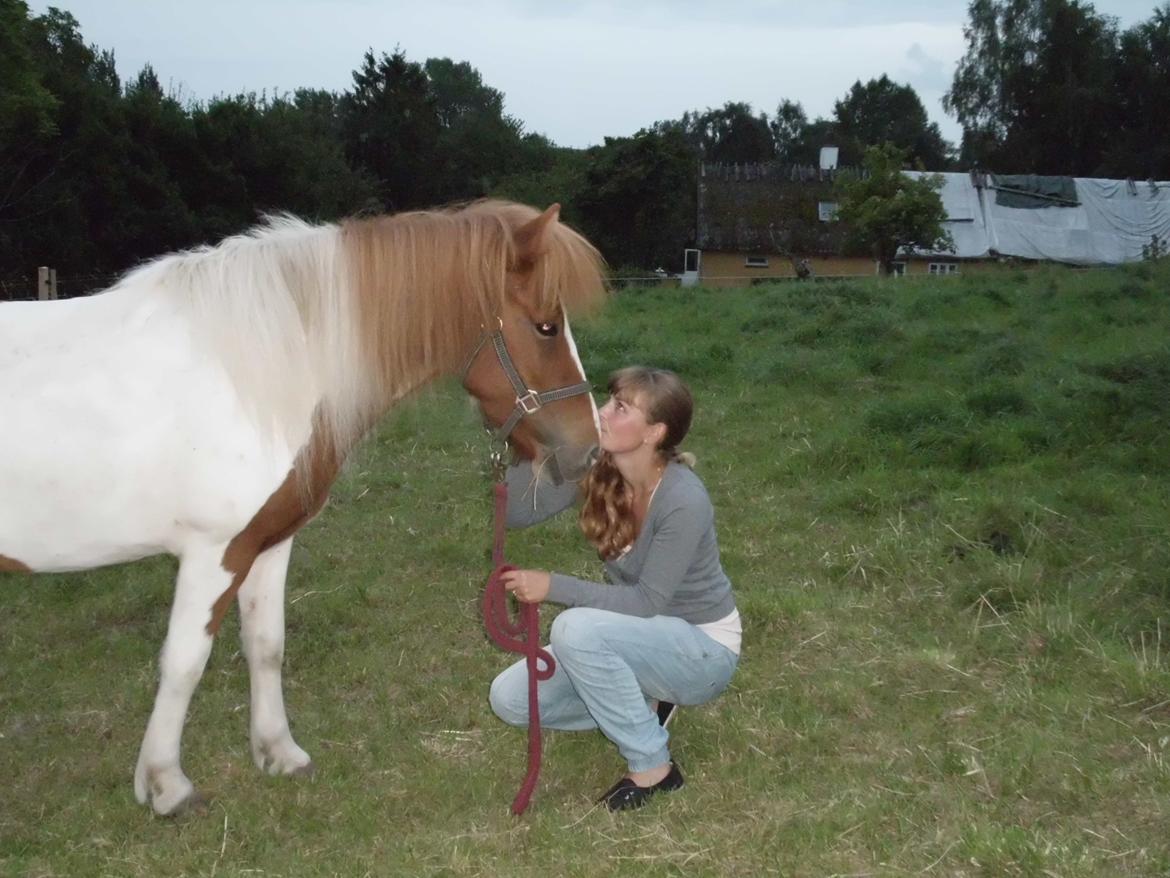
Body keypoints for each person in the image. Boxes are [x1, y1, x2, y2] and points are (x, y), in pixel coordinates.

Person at [489, 366, 742, 811]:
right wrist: (528, 439)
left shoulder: (684, 499)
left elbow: (646, 602)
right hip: (635, 636)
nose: (601, 412)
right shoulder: (595, 468)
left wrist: (553, 585)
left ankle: (653, 767)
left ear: (654, 432)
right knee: (509, 699)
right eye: (609, 401)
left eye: (620, 408)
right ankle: (638, 699)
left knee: (574, 629)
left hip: (702, 650)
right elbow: (516, 513)